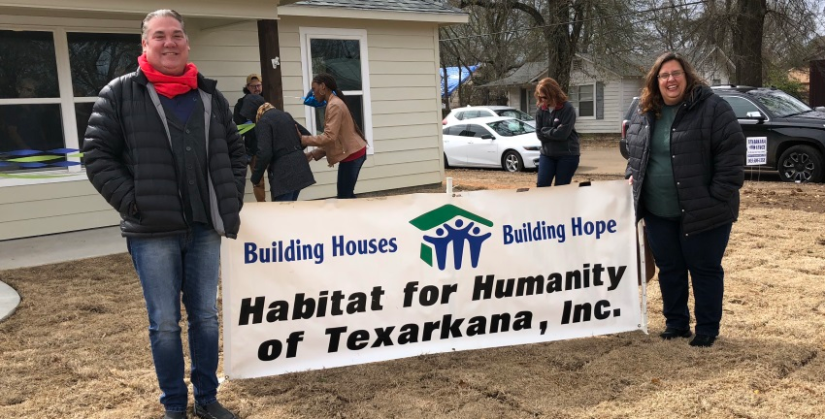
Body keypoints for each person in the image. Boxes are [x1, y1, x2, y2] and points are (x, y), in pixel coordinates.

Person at [82, 9, 244, 419]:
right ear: (145, 44)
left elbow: (236, 152)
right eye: (159, 36)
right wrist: (135, 203)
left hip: (205, 228)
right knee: (165, 324)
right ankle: (174, 404)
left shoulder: (209, 96)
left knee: (206, 317)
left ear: (187, 43)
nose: (169, 42)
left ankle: (207, 399)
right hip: (152, 232)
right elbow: (97, 156)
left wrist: (228, 200)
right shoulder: (119, 94)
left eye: (176, 35)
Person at [624, 51, 745, 348]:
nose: (670, 80)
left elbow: (732, 156)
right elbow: (635, 155)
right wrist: (633, 178)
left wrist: (716, 196)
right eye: (663, 75)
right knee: (670, 269)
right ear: (655, 81)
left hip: (705, 211)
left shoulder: (714, 108)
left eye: (675, 73)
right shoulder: (644, 112)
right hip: (657, 211)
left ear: (688, 76)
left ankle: (707, 328)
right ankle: (676, 323)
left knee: (704, 268)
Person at [300, 73, 368, 199]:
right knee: (345, 195)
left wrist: (303, 139)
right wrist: (313, 154)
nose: (312, 93)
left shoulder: (334, 105)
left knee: (344, 196)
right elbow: (335, 138)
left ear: (323, 87)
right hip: (351, 153)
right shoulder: (333, 103)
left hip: (353, 154)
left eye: (314, 89)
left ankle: (357, 217)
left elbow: (329, 137)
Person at [251, 102, 316, 201]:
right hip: (300, 168)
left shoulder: (263, 122)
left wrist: (256, 178)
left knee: (282, 211)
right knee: (290, 209)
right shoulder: (286, 116)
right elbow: (306, 135)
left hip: (284, 173)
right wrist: (295, 150)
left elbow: (264, 153)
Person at [534, 77, 580, 187]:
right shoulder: (541, 110)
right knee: (542, 186)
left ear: (553, 94)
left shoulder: (567, 109)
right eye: (540, 97)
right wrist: (554, 131)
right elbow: (539, 135)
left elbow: (563, 134)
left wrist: (545, 130)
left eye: (544, 97)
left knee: (561, 188)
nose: (542, 100)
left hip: (567, 155)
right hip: (547, 154)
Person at [234, 73, 267, 202]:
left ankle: (277, 206)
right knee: (258, 180)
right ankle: (262, 205)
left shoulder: (268, 100)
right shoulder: (241, 104)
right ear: (248, 87)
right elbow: (238, 126)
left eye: (258, 85)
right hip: (252, 148)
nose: (257, 89)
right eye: (253, 86)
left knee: (276, 176)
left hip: (270, 145)